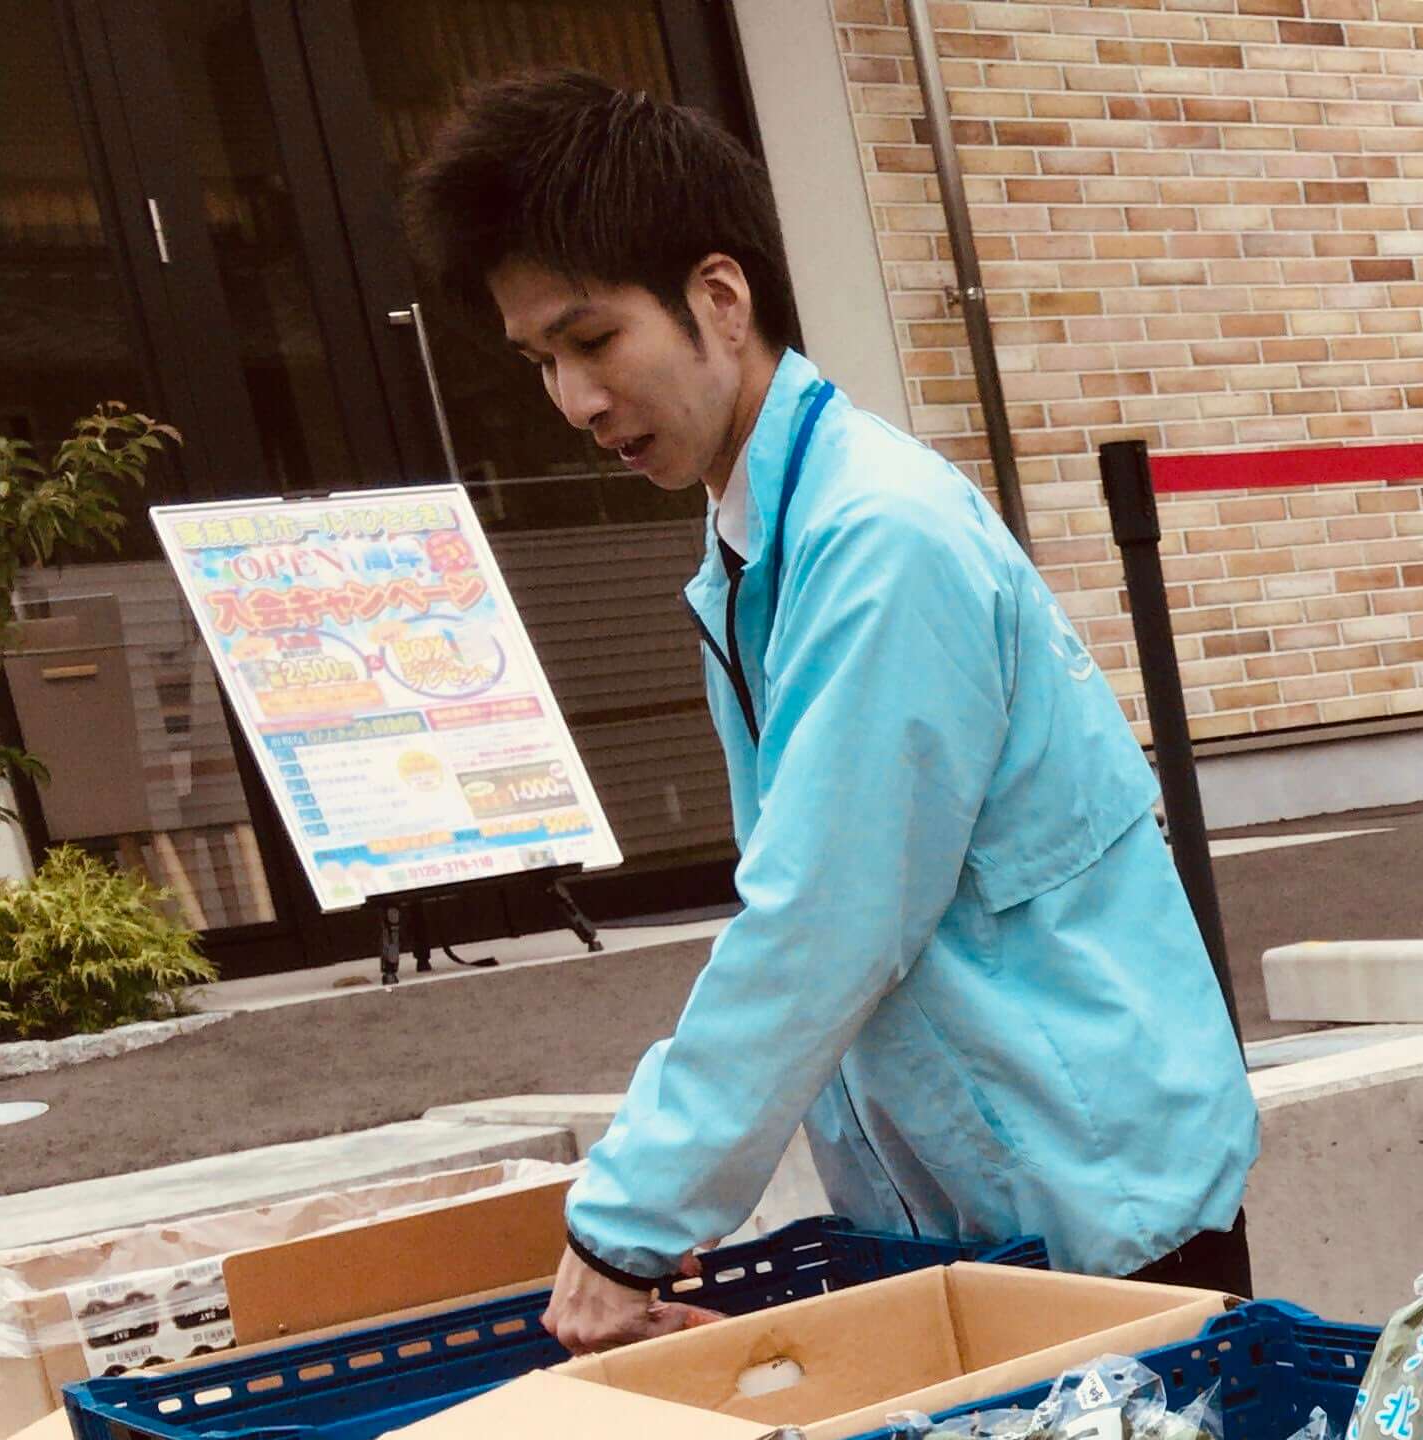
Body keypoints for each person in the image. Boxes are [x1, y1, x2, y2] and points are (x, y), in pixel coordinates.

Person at [406, 71, 1259, 1349]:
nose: (575, 402)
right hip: (1007, 1205)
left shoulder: (875, 538)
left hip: (1100, 1218)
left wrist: (630, 1219)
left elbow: (823, 917)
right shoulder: (767, 535)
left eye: (594, 342)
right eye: (542, 363)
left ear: (720, 298)